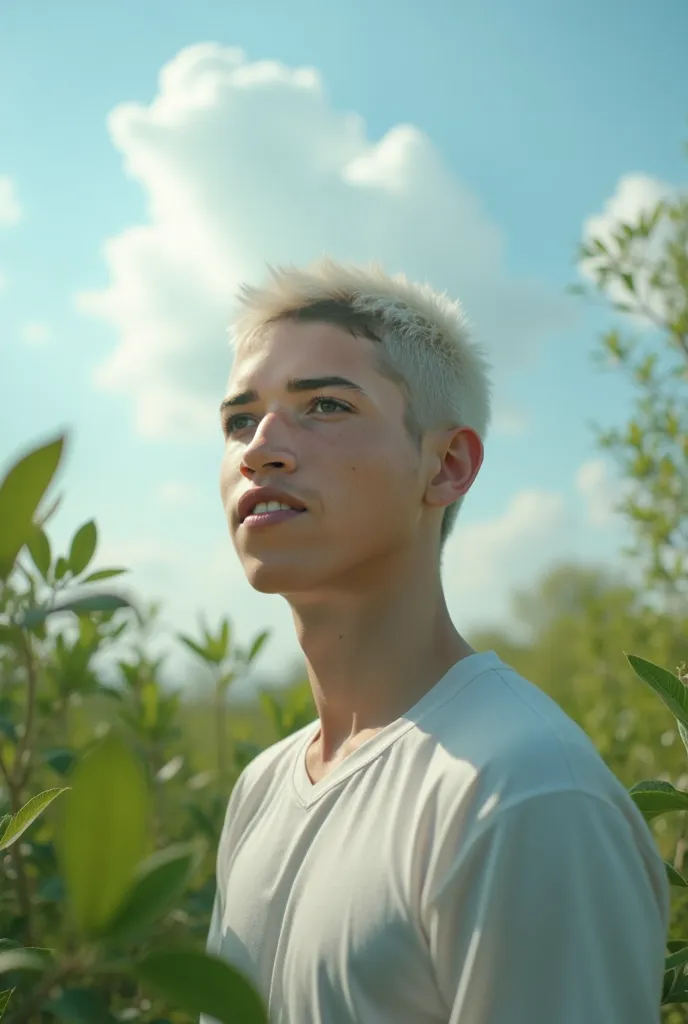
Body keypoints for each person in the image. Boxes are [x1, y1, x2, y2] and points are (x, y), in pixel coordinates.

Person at [202, 257, 670, 1024]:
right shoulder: (262, 787)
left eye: (323, 405)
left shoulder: (521, 791)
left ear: (447, 465)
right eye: (238, 420)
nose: (260, 448)